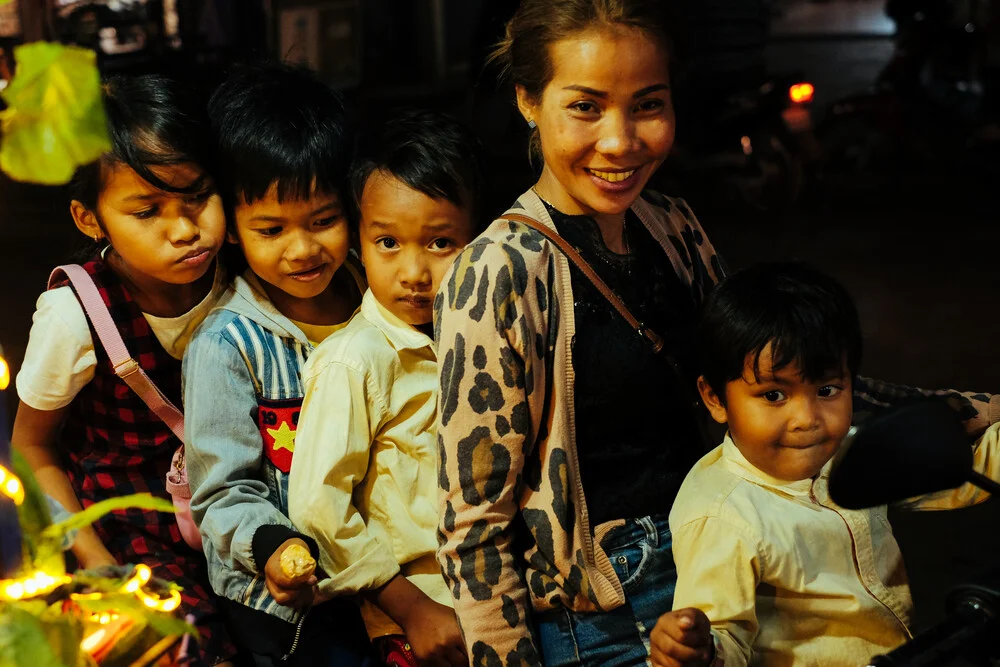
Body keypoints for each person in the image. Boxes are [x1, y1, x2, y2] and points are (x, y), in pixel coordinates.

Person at [433, 1, 1000, 665]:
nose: (620, 142)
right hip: (607, 623)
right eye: (585, 107)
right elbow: (474, 523)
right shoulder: (497, 271)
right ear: (529, 101)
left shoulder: (673, 226)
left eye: (648, 104)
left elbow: (773, 381)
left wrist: (971, 411)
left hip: (736, 566)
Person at [650, 262, 1000, 666]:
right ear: (714, 398)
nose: (807, 419)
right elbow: (726, 637)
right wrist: (698, 649)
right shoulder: (720, 515)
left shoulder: (849, 453)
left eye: (828, 389)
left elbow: (954, 473)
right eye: (773, 396)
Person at [12, 73, 234, 665]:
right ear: (90, 220)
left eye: (198, 196)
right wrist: (96, 562)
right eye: (147, 210)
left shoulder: (243, 272)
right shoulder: (75, 313)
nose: (185, 228)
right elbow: (33, 450)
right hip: (134, 531)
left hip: (242, 511)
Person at [181, 62, 370, 666]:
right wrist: (273, 546)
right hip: (291, 606)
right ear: (232, 229)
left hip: (391, 571)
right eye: (271, 228)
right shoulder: (225, 345)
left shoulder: (381, 305)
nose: (304, 249)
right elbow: (223, 493)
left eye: (324, 220)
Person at [289, 110, 482, 667]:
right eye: (388, 243)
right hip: (416, 616)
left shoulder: (483, 338)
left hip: (490, 596)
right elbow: (317, 506)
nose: (413, 272)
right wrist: (411, 608)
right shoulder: (355, 361)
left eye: (441, 242)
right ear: (360, 237)